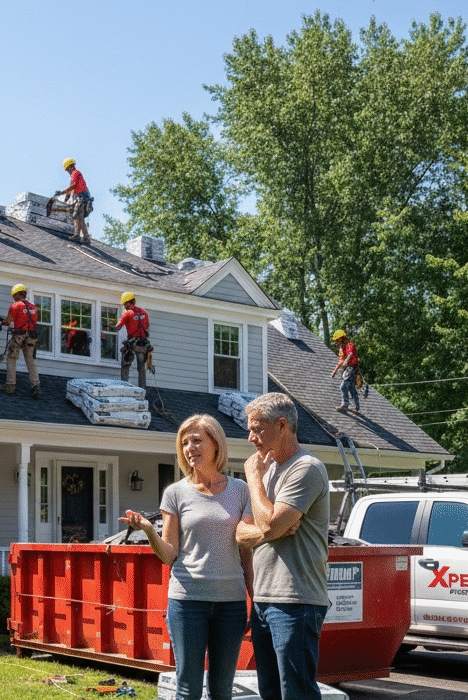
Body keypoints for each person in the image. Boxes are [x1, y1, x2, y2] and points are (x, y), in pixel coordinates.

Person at [120, 414, 252, 700]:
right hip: (187, 603)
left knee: (221, 689)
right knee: (188, 688)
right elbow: (169, 554)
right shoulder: (175, 493)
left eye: (196, 440)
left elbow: (246, 551)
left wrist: (254, 597)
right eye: (185, 442)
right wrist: (147, 531)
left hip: (231, 605)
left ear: (216, 444)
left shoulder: (241, 491)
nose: (190, 447)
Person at [237, 393, 330, 700]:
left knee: (297, 693)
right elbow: (241, 532)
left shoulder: (305, 469)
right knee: (270, 693)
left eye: (257, 429)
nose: (251, 437)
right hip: (263, 598)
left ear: (282, 425)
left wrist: (253, 480)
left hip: (296, 601)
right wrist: (272, 528)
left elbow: (266, 525)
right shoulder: (268, 473)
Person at [0, 284, 40, 399]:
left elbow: (8, 321)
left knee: (12, 358)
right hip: (32, 336)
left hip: (19, 335)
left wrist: (1, 322)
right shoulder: (33, 307)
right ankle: (35, 385)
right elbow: (34, 321)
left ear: (16, 295)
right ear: (24, 294)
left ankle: (10, 385)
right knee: (30, 360)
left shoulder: (15, 306)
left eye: (14, 296)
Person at [115, 292, 151, 389]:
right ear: (134, 301)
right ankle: (142, 389)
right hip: (142, 344)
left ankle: (123, 386)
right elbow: (147, 327)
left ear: (127, 303)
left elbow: (118, 327)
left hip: (131, 343)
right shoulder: (144, 313)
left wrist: (111, 326)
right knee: (141, 368)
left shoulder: (127, 313)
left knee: (125, 364)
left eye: (124, 305)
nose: (125, 306)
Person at [55, 158, 92, 244]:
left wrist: (61, 192)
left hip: (81, 198)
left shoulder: (75, 173)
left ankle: (76, 235)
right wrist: (66, 198)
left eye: (67, 169)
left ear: (70, 167)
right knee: (80, 218)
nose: (68, 171)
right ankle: (86, 238)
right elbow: (70, 189)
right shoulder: (75, 176)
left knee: (76, 216)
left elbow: (72, 186)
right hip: (82, 198)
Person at [329, 330, 360, 413]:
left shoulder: (349, 345)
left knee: (343, 386)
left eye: (339, 341)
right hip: (349, 369)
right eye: (337, 342)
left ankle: (345, 405)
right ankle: (356, 408)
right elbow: (341, 361)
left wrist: (346, 361)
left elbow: (350, 354)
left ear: (343, 339)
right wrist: (334, 371)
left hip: (352, 368)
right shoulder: (341, 350)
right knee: (351, 388)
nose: (338, 343)